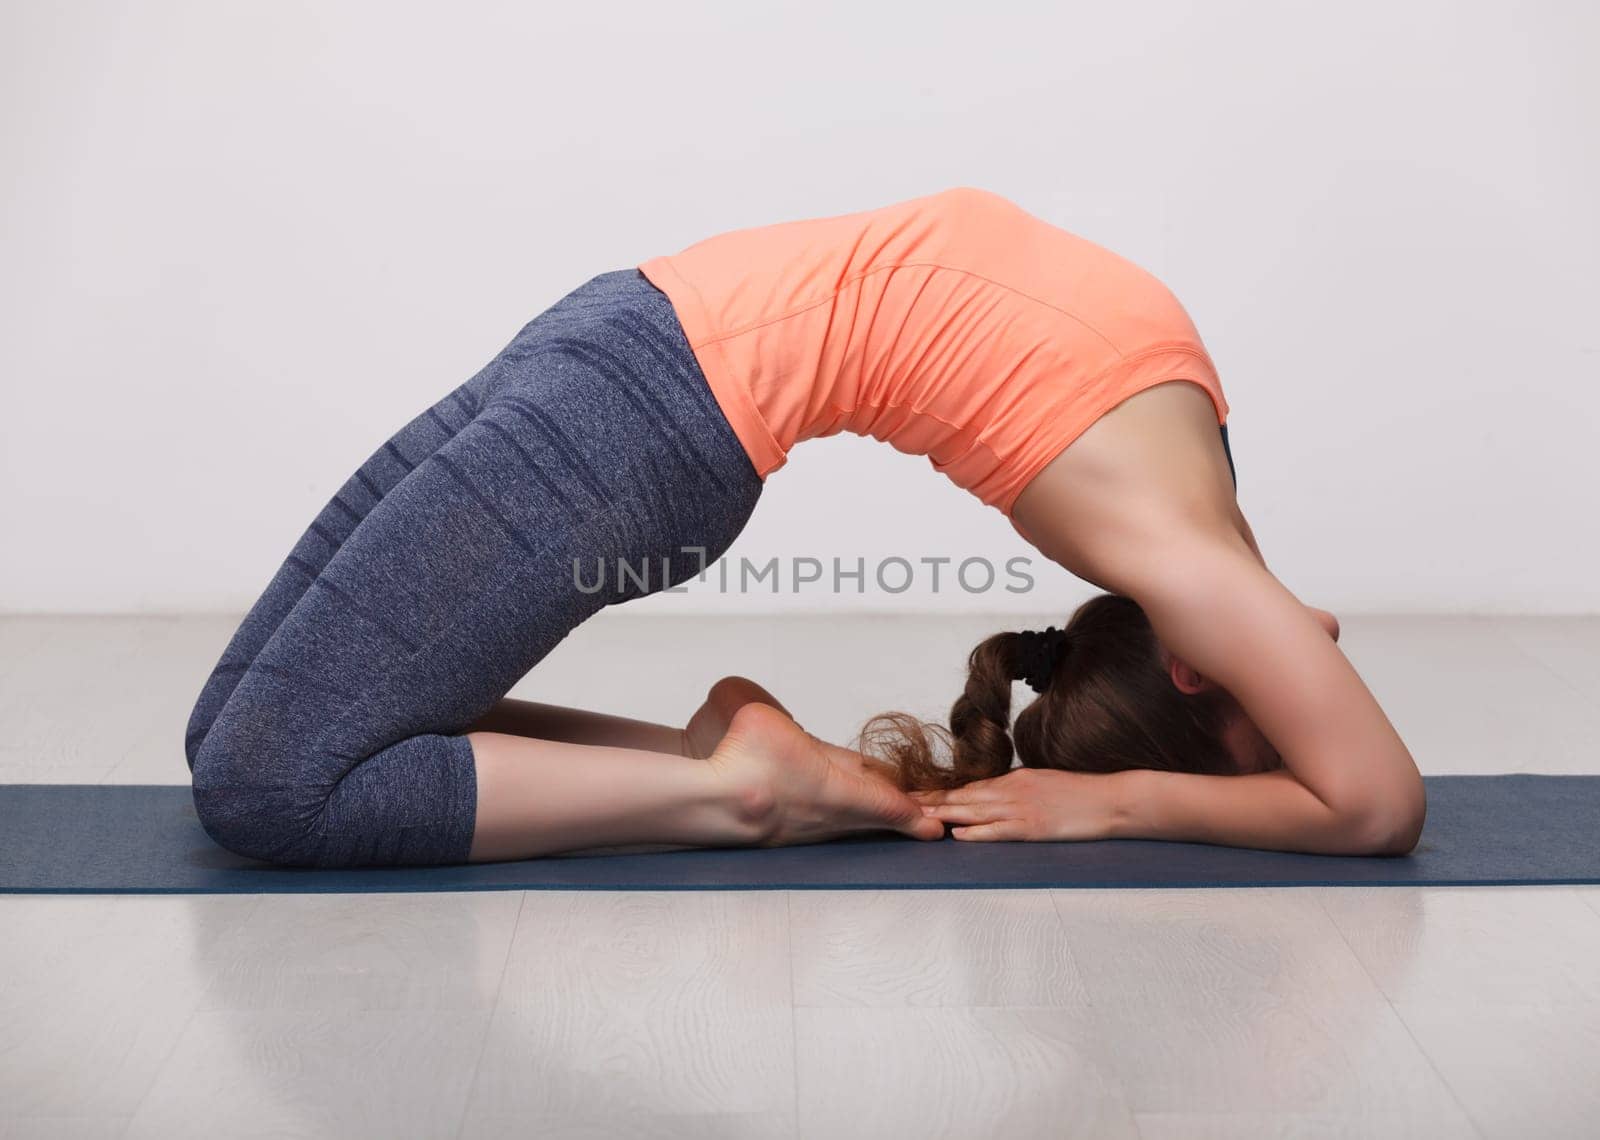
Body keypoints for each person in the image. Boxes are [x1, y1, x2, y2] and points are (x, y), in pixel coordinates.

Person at [185, 187, 1424, 868]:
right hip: (614, 334)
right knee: (228, 729)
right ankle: (714, 765)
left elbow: (1373, 807)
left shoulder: (1186, 558)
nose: (1322, 669)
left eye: (1289, 710)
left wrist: (1117, 804)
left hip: (643, 411)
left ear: (1198, 666)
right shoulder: (1200, 481)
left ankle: (737, 794)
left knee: (269, 789)